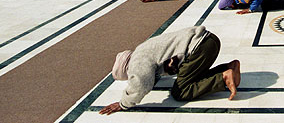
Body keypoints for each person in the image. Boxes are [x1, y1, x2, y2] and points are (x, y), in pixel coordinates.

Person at [99, 26, 241, 115]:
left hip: (199, 48)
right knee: (190, 77)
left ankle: (223, 78)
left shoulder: (137, 62)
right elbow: (154, 70)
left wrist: (124, 103)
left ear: (128, 70)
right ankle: (228, 68)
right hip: (209, 39)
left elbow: (140, 82)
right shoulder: (142, 49)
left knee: (180, 91)